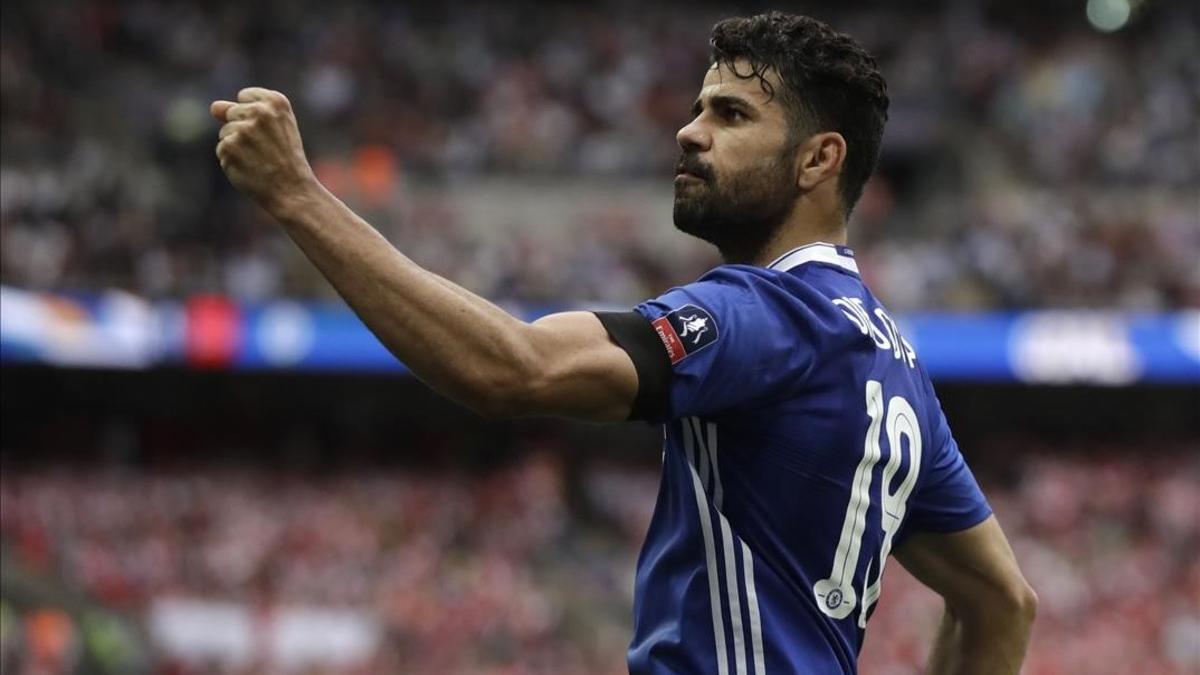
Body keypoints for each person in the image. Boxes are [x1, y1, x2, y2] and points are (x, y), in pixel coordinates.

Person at [211, 11, 1036, 675]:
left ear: (819, 159)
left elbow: (512, 367)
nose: (687, 131)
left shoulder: (768, 314)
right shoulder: (893, 361)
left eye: (730, 114)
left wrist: (298, 198)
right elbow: (1003, 603)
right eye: (698, 107)